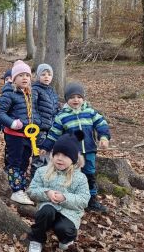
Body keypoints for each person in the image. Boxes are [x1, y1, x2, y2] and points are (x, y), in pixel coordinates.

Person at [41, 82, 111, 212]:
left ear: (83, 98)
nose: (76, 100)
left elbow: (101, 124)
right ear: (67, 99)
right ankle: (71, 198)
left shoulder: (90, 112)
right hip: (73, 153)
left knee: (90, 173)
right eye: (72, 97)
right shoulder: (62, 116)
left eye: (79, 97)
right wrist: (46, 146)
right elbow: (54, 133)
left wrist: (104, 137)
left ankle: (91, 199)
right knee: (72, 174)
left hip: (89, 150)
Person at [27, 131, 90, 252]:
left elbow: (83, 200)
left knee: (65, 229)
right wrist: (47, 193)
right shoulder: (42, 171)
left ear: (73, 159)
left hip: (69, 212)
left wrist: (64, 198)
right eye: (57, 154)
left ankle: (65, 240)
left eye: (65, 156)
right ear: (52, 155)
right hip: (47, 208)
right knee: (46, 211)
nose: (60, 159)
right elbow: (32, 191)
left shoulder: (80, 177)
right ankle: (37, 239)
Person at [0, 60, 35, 205]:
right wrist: (12, 123)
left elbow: (33, 113)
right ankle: (16, 190)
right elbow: (0, 112)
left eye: (27, 75)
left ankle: (21, 187)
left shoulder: (31, 94)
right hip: (14, 136)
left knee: (25, 161)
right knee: (15, 162)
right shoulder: (9, 94)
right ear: (13, 78)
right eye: (21, 75)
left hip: (28, 136)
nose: (25, 78)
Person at [30, 64, 59, 179]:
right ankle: (34, 180)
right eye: (43, 74)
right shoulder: (35, 89)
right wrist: (38, 122)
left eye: (49, 74)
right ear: (38, 76)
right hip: (40, 130)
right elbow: (32, 107)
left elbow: (56, 108)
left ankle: (47, 180)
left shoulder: (52, 91)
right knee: (39, 156)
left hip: (52, 130)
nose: (46, 77)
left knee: (50, 156)